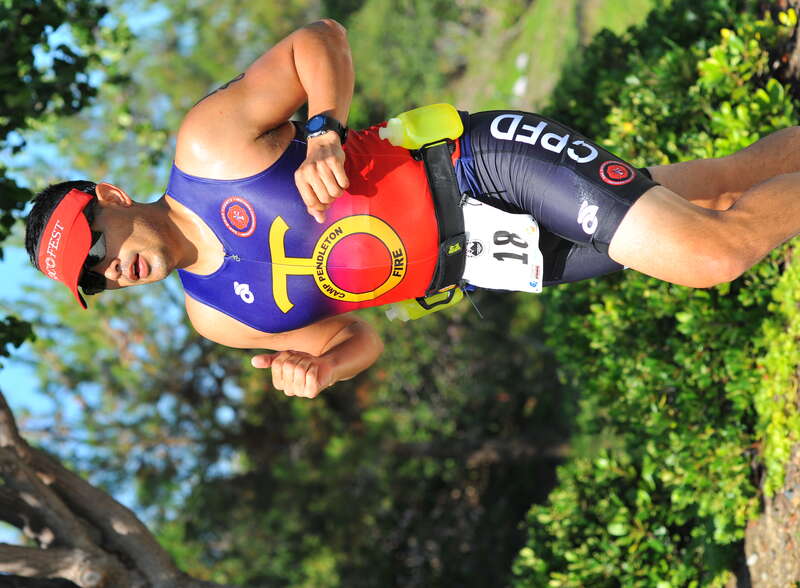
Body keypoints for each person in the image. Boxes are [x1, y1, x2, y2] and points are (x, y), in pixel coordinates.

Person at [23, 19, 800, 399]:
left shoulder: (208, 149)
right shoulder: (217, 318)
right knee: (721, 190)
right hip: (495, 261)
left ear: (112, 199)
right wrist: (321, 368)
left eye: (92, 244)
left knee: (711, 254)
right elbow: (360, 333)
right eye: (92, 280)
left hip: (480, 169)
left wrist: (324, 128)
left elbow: (316, 40)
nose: (109, 270)